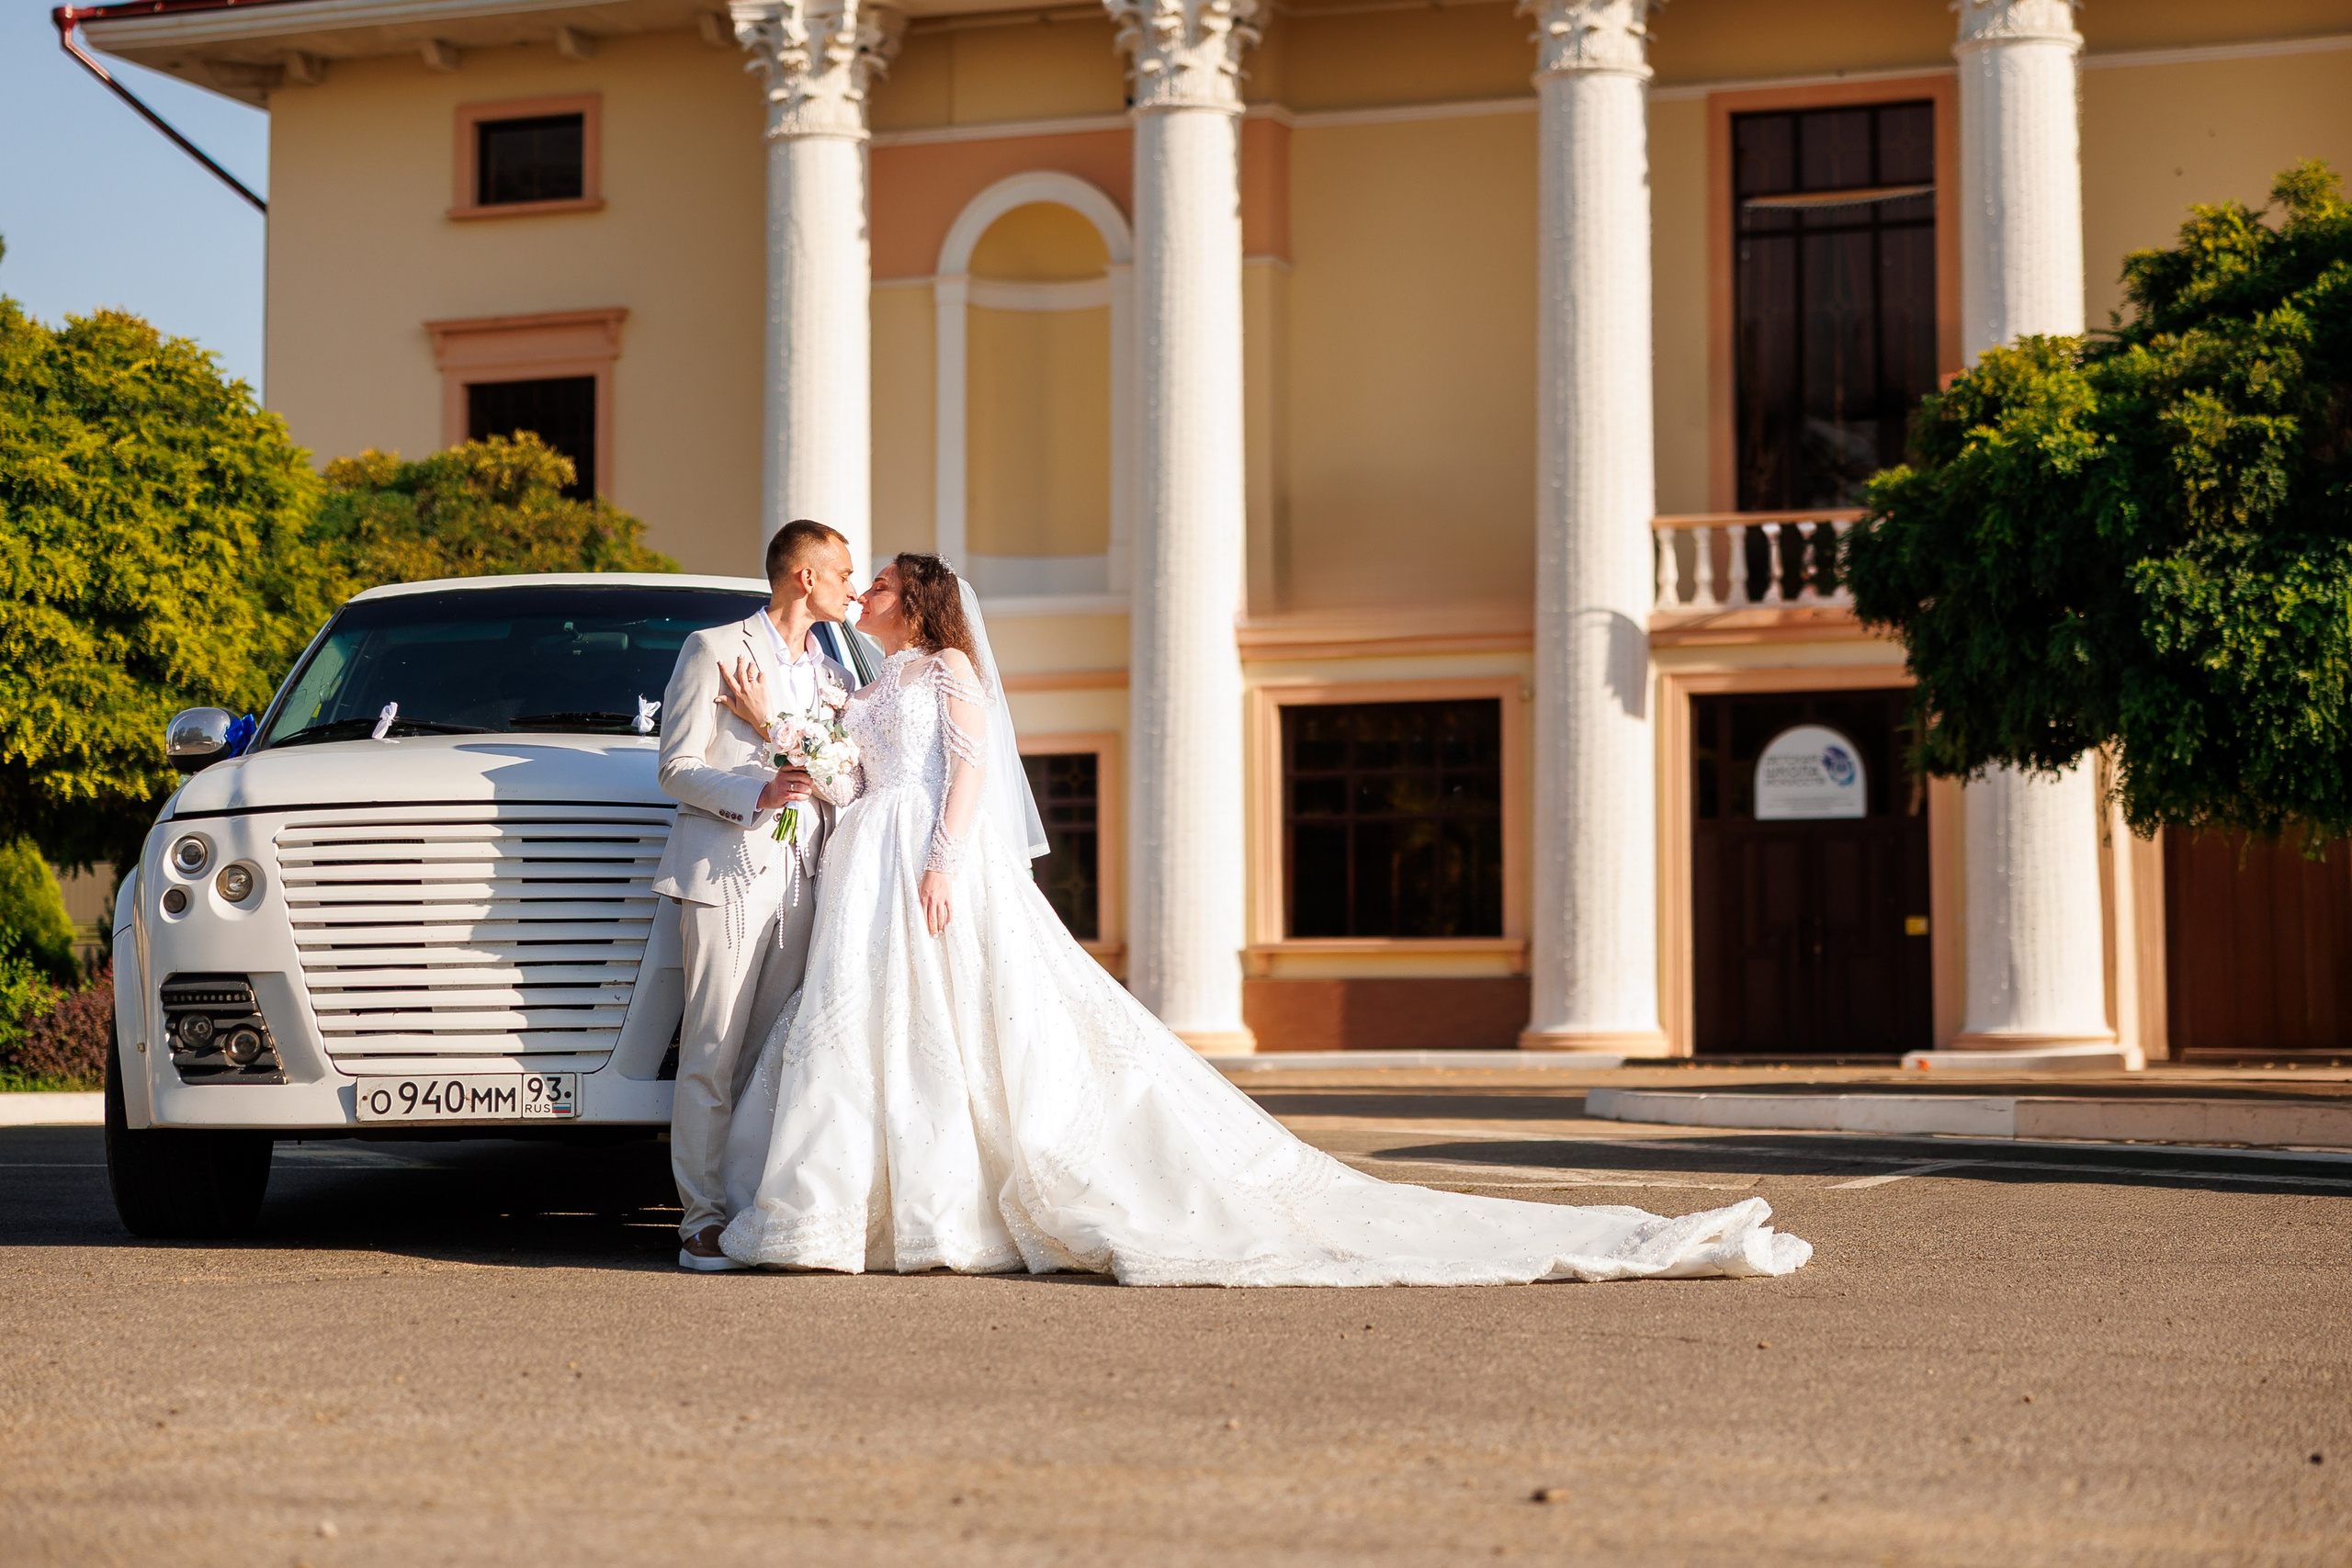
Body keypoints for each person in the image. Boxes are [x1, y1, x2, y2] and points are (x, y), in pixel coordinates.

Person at [718, 553, 1811, 1286]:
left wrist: (948, 861)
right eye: (855, 584)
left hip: (927, 863)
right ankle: (853, 1208)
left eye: (879, 587)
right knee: (867, 1031)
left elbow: (965, 778)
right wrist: (790, 742)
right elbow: (853, 780)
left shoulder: (951, 669)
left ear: (917, 601)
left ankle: (945, 1201)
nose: (860, 596)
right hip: (867, 856)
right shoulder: (871, 678)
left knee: (978, 1023)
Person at [650, 519, 862, 1272]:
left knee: (770, 1052)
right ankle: (701, 1219)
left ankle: (748, 1209)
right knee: (710, 1050)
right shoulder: (713, 650)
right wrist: (755, 789)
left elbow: (849, 780)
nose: (853, 585)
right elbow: (674, 768)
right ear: (804, 576)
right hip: (724, 875)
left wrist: (791, 738)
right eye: (842, 571)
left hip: (808, 879)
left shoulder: (838, 680)